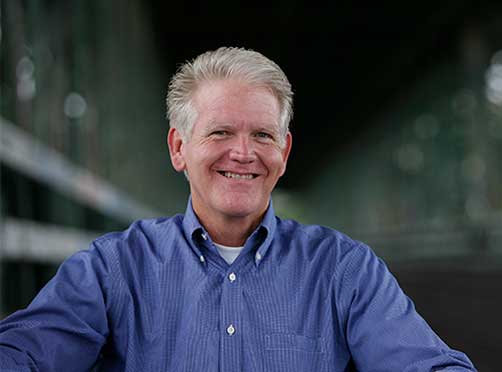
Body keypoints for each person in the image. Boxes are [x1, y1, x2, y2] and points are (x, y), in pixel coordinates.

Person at [0, 47, 476, 371]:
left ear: (284, 152)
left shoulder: (343, 271)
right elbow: (25, 352)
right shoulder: (112, 269)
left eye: (263, 135)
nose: (244, 153)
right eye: (221, 132)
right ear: (178, 147)